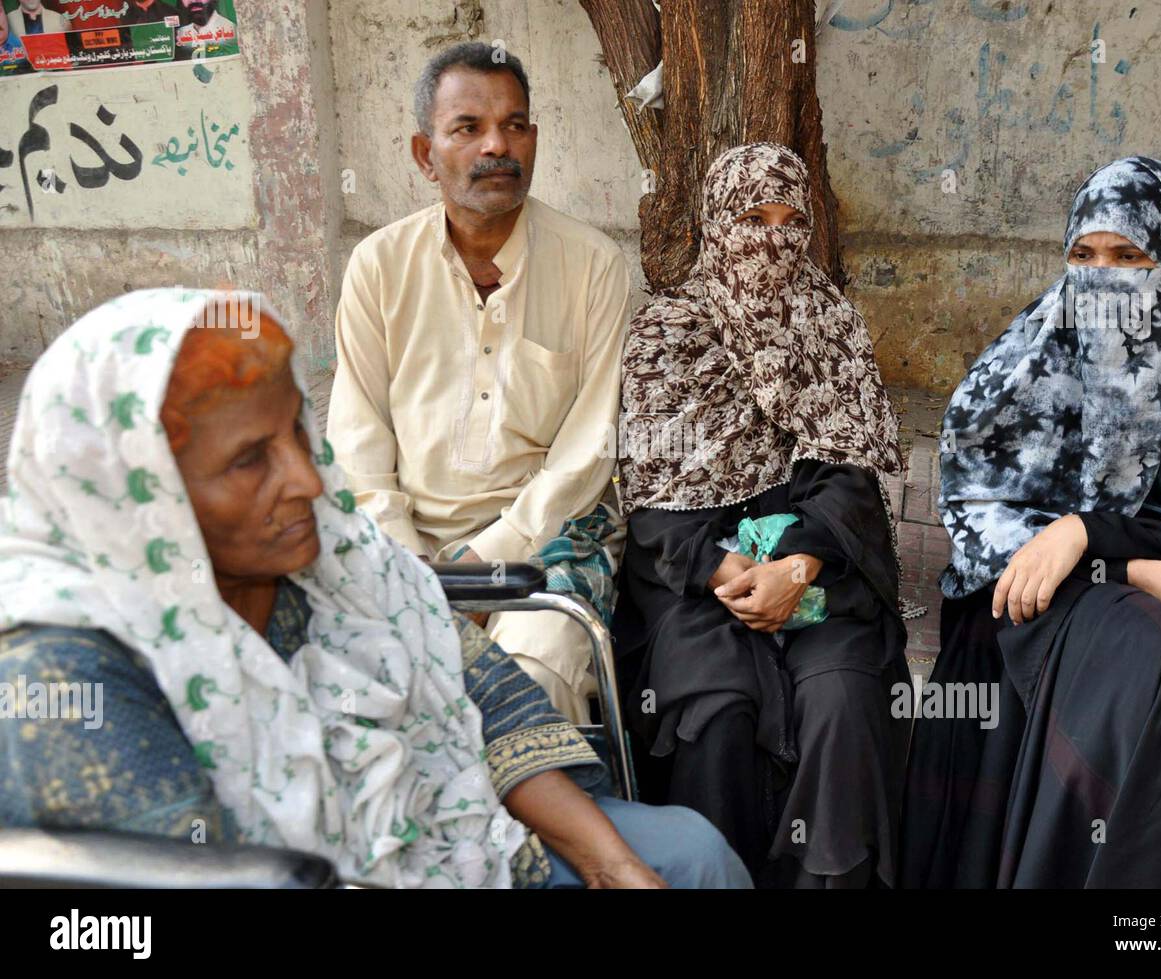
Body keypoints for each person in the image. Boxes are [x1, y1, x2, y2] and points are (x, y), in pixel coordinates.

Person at [0, 289, 751, 890]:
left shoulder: (340, 559)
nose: (305, 479)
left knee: (691, 854)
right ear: (139, 497)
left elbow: (483, 697)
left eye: (296, 431)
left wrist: (609, 864)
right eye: (248, 461)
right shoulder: (68, 673)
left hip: (453, 838)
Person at [901, 156, 1161, 888]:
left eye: (1129, 256)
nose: (1103, 277)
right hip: (1015, 611)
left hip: (1113, 606)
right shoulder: (1019, 365)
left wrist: (1084, 533)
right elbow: (982, 534)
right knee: (1155, 648)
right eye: (1084, 255)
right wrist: (1122, 560)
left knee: (1152, 652)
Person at [614, 142, 913, 888]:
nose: (772, 239)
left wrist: (797, 564)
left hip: (818, 569)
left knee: (842, 698)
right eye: (752, 216)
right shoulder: (668, 334)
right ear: (716, 223)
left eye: (791, 221)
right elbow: (648, 502)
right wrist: (725, 565)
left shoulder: (830, 324)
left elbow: (853, 482)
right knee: (715, 712)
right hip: (698, 576)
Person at [328, 42, 631, 725]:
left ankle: (545, 830)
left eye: (515, 124)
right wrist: (411, 566)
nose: (498, 145)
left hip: (550, 539)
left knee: (530, 677)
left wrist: (487, 557)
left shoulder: (594, 265)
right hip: (409, 541)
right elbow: (356, 439)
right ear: (423, 153)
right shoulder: (378, 266)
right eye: (468, 128)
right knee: (368, 685)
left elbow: (590, 449)